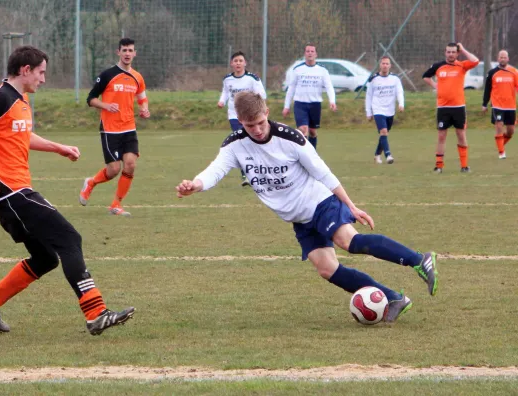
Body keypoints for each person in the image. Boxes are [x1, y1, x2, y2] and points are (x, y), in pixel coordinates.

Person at [176, 92, 438, 323]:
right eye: (249, 125)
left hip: (320, 202)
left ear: (267, 113)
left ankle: (419, 260)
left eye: (259, 122)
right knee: (327, 269)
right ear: (240, 122)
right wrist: (195, 185)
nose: (255, 130)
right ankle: (393, 298)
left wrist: (351, 206)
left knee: (349, 241)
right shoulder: (235, 145)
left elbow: (324, 173)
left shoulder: (290, 139)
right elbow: (215, 171)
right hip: (300, 219)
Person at [0, 46, 135, 336]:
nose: (44, 79)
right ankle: (96, 313)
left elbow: (22, 135)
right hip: (10, 193)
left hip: (17, 191)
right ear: (25, 70)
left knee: (46, 258)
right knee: (70, 238)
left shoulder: (19, 100)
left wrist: (57, 147)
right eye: (41, 72)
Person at [79, 37, 150, 216]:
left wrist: (144, 109)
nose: (127, 54)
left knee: (131, 165)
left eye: (130, 50)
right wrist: (105, 106)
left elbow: (142, 97)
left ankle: (116, 205)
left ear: (135, 53)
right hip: (110, 129)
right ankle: (91, 183)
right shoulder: (107, 75)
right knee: (113, 170)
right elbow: (91, 99)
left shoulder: (138, 77)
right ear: (118, 52)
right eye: (124, 50)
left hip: (129, 128)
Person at [422, 42, 479, 173]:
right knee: (441, 136)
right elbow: (425, 76)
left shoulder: (462, 65)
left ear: (457, 53)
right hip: (443, 108)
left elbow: (475, 61)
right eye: (448, 52)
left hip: (459, 107)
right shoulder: (438, 66)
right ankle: (439, 166)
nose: (451, 54)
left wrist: (463, 48)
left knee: (461, 134)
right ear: (445, 52)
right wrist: (435, 86)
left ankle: (464, 166)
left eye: (453, 52)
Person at [218, 51, 267, 186]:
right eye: (235, 61)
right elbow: (226, 92)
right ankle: (246, 175)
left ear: (245, 63)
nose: (238, 63)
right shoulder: (227, 79)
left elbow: (262, 94)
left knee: (253, 141)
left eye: (240, 61)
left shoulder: (252, 78)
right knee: (241, 140)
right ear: (231, 64)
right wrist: (222, 101)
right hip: (235, 115)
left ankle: (261, 169)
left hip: (250, 115)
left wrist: (252, 101)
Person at [282, 44, 336, 150]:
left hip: (315, 104)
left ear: (316, 54)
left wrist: (332, 101)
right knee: (303, 130)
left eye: (312, 51)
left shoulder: (322, 70)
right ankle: (304, 154)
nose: (310, 53)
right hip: (300, 104)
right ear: (304, 54)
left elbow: (329, 87)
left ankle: (312, 153)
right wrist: (286, 106)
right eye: (308, 51)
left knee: (312, 131)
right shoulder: (297, 69)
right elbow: (291, 88)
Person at [365, 56, 404, 164]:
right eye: (383, 63)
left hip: (390, 110)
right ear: (380, 65)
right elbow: (368, 96)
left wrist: (401, 103)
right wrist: (369, 112)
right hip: (378, 109)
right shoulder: (374, 79)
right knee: (384, 131)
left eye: (387, 64)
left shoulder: (395, 79)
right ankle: (388, 155)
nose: (385, 65)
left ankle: (377, 155)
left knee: (384, 134)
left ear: (390, 66)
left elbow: (399, 92)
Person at [482, 50, 518, 159]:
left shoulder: (514, 72)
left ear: (508, 59)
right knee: (499, 125)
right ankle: (501, 152)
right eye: (501, 57)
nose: (503, 59)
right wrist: (484, 104)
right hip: (497, 105)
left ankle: (500, 144)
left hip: (510, 106)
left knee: (511, 131)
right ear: (498, 59)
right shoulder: (492, 73)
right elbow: (487, 89)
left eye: (505, 57)